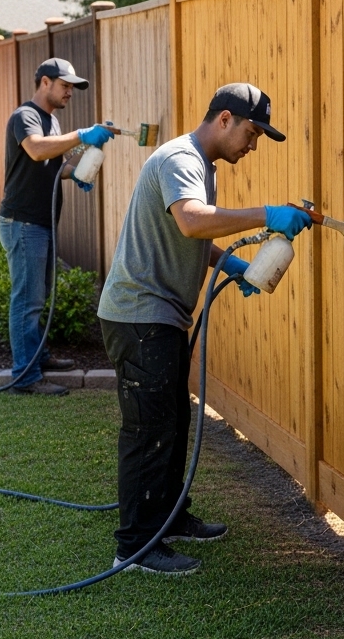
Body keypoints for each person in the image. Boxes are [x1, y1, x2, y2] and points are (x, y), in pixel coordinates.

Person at [98, 82, 312, 575]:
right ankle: (134, 547)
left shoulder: (202, 166)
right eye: (252, 133)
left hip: (158, 316)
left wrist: (232, 267)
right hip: (138, 316)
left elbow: (191, 240)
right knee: (148, 431)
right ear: (224, 119)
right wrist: (269, 214)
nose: (253, 145)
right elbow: (194, 222)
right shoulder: (181, 160)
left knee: (172, 422)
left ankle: (168, 519)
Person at [0, 57, 115, 396]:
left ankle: (40, 357)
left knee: (40, 295)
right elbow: (36, 151)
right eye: (66, 86)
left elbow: (55, 167)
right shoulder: (26, 117)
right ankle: (25, 375)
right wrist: (81, 134)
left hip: (41, 222)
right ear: (45, 82)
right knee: (27, 300)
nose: (70, 92)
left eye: (72, 88)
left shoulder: (51, 121)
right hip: (22, 222)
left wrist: (80, 169)